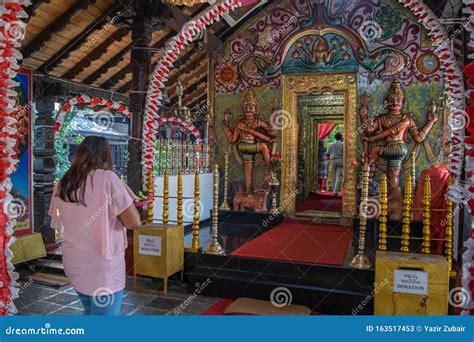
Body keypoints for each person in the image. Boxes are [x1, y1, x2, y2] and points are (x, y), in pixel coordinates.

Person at [49, 136, 141, 316]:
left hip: (74, 261)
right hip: (102, 266)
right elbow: (133, 222)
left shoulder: (65, 181)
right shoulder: (108, 178)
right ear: (106, 155)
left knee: (90, 311)